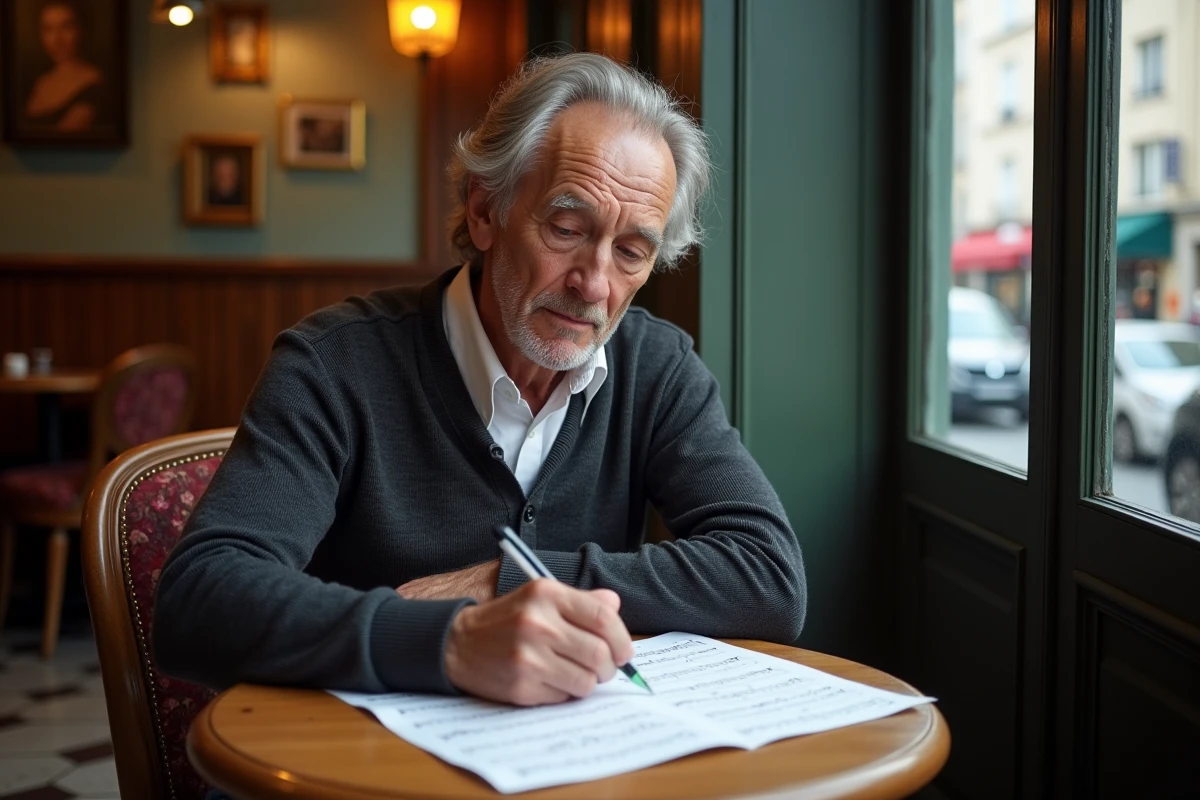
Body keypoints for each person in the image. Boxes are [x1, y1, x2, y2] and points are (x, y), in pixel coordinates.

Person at [155, 53, 806, 710]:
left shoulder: (657, 368)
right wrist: (449, 640)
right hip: (356, 764)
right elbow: (201, 599)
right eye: (567, 228)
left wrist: (510, 578)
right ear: (484, 211)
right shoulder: (335, 363)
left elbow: (770, 577)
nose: (594, 285)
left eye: (631, 251)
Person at [23, 0, 107, 132]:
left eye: (66, 27)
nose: (56, 40)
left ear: (82, 30)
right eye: (48, 29)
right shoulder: (38, 81)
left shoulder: (95, 84)